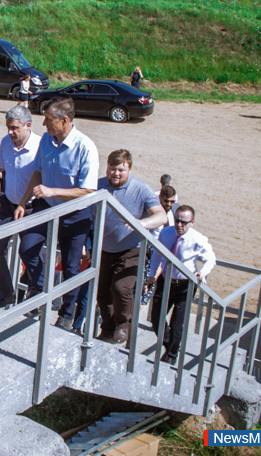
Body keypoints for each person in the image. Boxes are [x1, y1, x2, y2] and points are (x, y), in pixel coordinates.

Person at [15, 97, 98, 332]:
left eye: (48, 119)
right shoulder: (47, 141)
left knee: (71, 267)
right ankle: (43, 288)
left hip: (74, 213)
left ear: (64, 120)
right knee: (27, 248)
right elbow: (38, 172)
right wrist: (23, 202)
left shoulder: (85, 147)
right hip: (47, 206)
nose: (44, 124)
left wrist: (54, 191)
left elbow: (88, 190)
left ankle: (66, 314)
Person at [95, 150, 165, 345]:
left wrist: (141, 223)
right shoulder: (99, 186)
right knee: (102, 292)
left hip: (131, 249)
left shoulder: (141, 189)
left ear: (130, 169)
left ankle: (123, 324)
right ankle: (108, 329)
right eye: (112, 169)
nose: (116, 174)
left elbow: (161, 216)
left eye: (121, 170)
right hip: (104, 248)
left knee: (121, 287)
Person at [147, 205, 215, 365]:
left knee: (177, 324)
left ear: (192, 222)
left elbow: (210, 258)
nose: (179, 225)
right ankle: (169, 344)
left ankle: (171, 355)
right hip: (165, 281)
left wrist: (203, 272)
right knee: (156, 318)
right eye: (177, 220)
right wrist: (152, 274)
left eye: (184, 222)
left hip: (185, 286)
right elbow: (157, 254)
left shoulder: (198, 239)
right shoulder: (166, 233)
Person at [0, 105, 42, 307]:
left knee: (29, 251)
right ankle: (6, 293)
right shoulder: (6, 142)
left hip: (32, 207)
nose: (10, 132)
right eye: (8, 127)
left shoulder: (40, 146)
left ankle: (39, 293)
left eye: (14, 128)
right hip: (8, 203)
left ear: (28, 125)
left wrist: (24, 202)